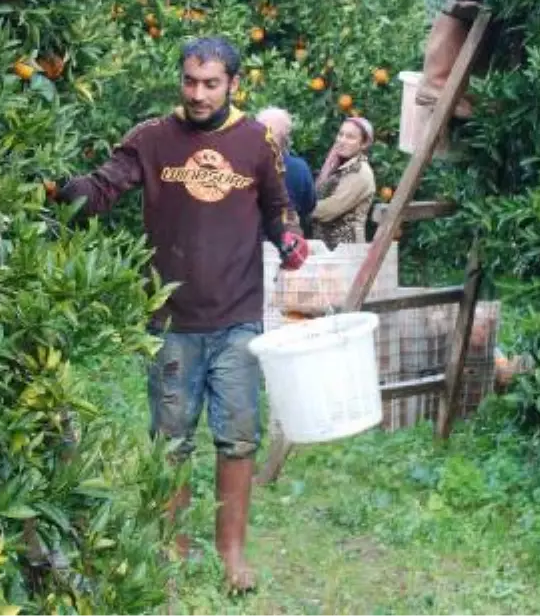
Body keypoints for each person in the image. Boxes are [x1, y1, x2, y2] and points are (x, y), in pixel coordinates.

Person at [55, 36, 308, 593]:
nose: (198, 94)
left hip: (238, 315)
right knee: (172, 439)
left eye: (210, 83)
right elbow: (102, 188)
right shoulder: (151, 138)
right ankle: (174, 550)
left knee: (238, 436)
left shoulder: (256, 141)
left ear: (233, 85)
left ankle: (232, 555)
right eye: (190, 82)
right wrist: (59, 189)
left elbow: (277, 207)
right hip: (169, 320)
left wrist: (288, 236)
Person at [310, 117, 377, 249]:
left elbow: (330, 210)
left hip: (347, 249)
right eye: (341, 134)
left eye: (350, 137)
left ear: (363, 144)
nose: (342, 141)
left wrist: (298, 207)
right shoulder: (336, 166)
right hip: (328, 247)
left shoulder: (360, 172)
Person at [256, 107, 316, 236]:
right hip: (286, 242)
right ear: (286, 137)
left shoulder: (241, 166)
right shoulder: (299, 168)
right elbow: (308, 206)